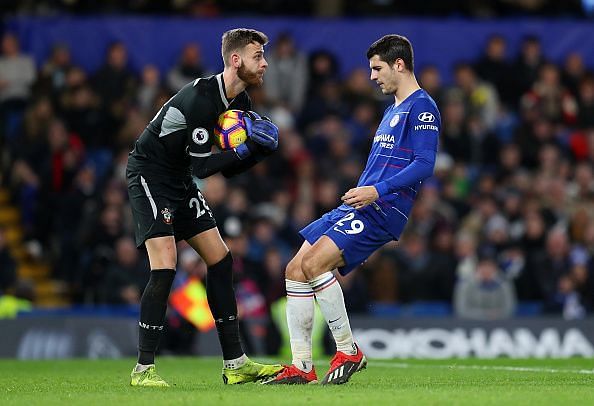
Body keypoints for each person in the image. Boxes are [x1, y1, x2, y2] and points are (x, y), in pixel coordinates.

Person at [264, 34, 440, 385]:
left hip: (382, 209)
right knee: (295, 269)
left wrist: (377, 190)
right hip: (360, 204)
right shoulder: (393, 108)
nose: (372, 76)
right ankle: (301, 366)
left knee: (314, 265)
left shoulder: (422, 107)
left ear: (399, 64)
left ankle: (348, 350)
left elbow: (425, 164)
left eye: (377, 68)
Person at [126, 28, 282, 387]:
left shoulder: (241, 104)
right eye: (258, 56)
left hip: (179, 177)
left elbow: (227, 170)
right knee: (166, 264)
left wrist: (258, 151)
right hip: (150, 173)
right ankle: (143, 369)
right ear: (235, 60)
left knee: (222, 260)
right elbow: (202, 168)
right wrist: (243, 150)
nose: (265, 63)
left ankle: (235, 364)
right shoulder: (202, 98)